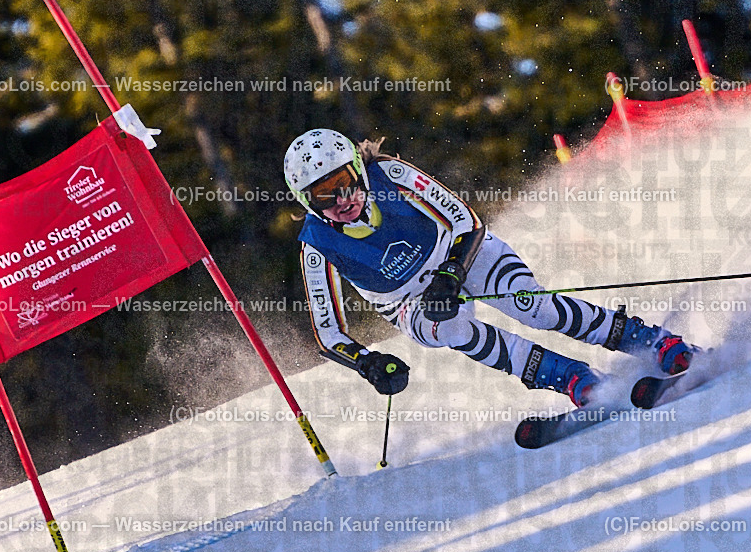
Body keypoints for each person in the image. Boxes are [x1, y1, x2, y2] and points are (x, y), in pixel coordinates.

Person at [285, 129, 695, 407]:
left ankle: (651, 340)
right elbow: (328, 334)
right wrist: (368, 363)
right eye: (323, 196)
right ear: (307, 202)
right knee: (450, 326)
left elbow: (465, 220)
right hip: (408, 301)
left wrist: (451, 272)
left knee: (534, 307)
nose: (341, 200)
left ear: (358, 170)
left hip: (460, 253)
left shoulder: (390, 174)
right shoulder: (317, 247)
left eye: (344, 182)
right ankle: (568, 376)